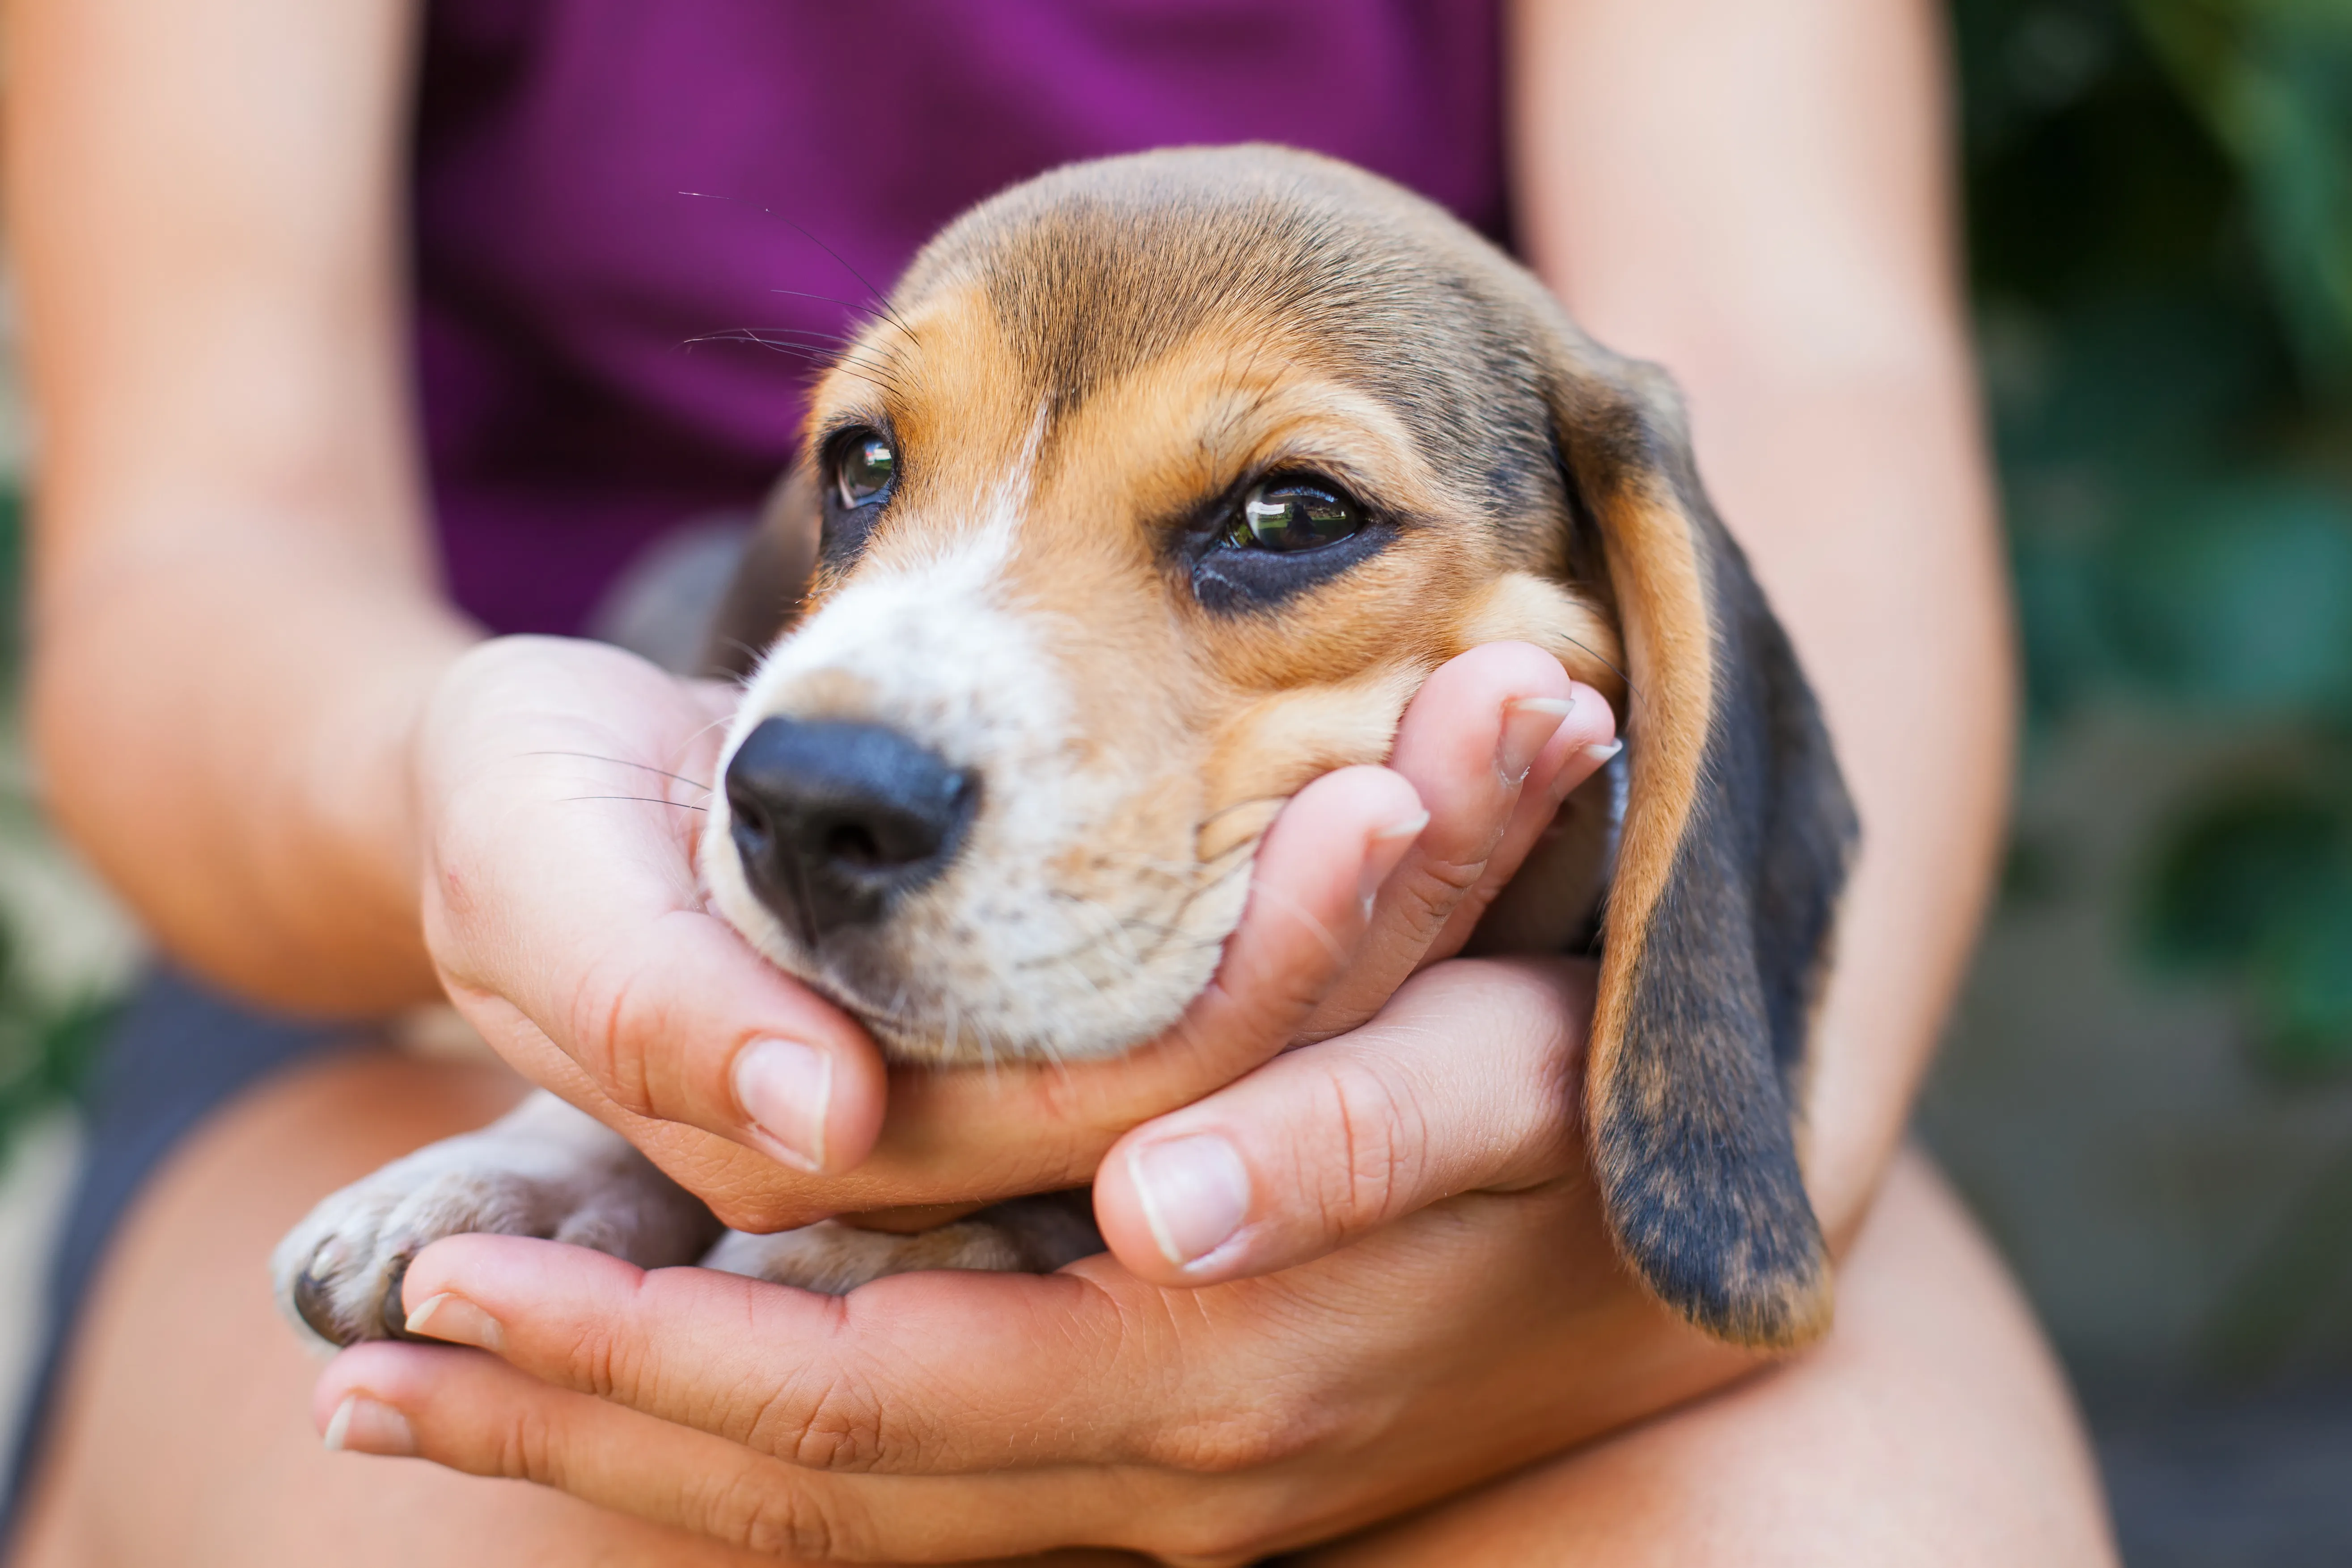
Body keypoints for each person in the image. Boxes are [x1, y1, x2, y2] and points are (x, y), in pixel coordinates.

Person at [3, 0, 2116, 1562]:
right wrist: (512, 890)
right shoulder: (735, 684)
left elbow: (1792, 362)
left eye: (1281, 516)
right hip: (400, 919)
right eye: (867, 460)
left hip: (1540, 1002)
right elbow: (203, 541)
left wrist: (1727, 1157)